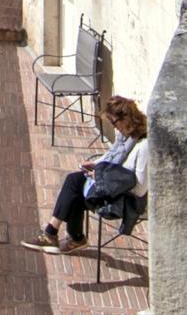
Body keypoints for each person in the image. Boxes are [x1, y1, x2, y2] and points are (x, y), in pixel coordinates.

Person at [35, 96, 148, 253]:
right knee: (74, 182)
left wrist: (103, 180)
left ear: (126, 119)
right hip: (111, 184)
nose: (114, 128)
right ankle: (65, 236)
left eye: (114, 123)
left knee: (75, 190)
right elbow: (112, 155)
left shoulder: (144, 147)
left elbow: (140, 188)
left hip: (126, 200)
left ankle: (60, 235)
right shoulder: (125, 136)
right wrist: (96, 166)